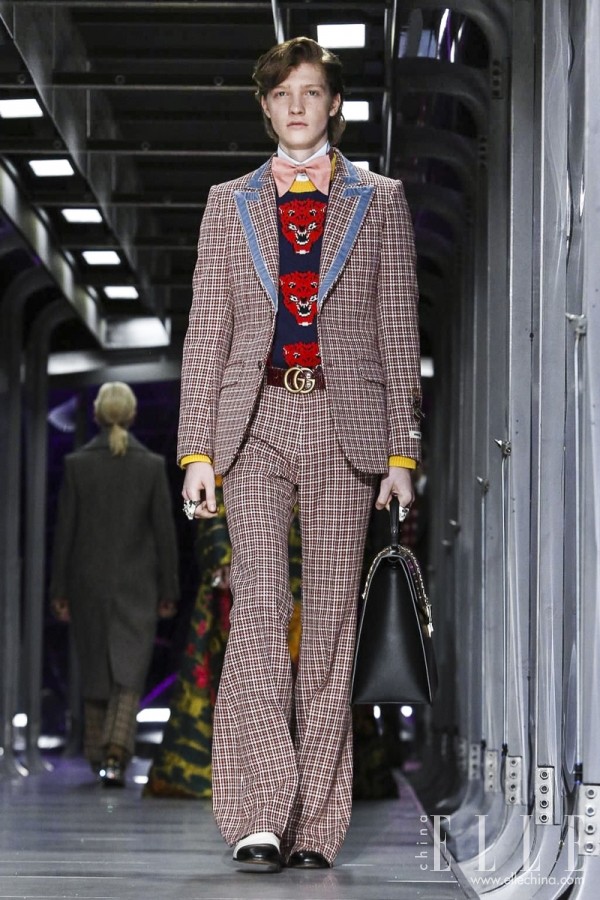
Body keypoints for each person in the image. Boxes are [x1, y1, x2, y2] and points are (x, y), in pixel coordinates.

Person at [177, 36, 421, 872]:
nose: (295, 106)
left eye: (310, 92)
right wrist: (197, 450)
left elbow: (398, 329)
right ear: (264, 106)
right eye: (282, 93)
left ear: (334, 104)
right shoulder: (228, 203)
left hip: (345, 428)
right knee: (255, 611)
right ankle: (259, 813)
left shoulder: (380, 200)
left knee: (329, 627)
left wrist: (403, 454)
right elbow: (208, 330)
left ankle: (316, 823)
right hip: (254, 423)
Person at [50, 382, 179, 787]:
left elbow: (65, 533)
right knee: (129, 674)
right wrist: (169, 590)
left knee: (95, 672)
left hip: (87, 584)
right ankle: (114, 752)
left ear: (96, 415)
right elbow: (164, 533)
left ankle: (100, 753)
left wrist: (59, 590)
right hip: (138, 586)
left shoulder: (76, 465)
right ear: (133, 415)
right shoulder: (151, 465)